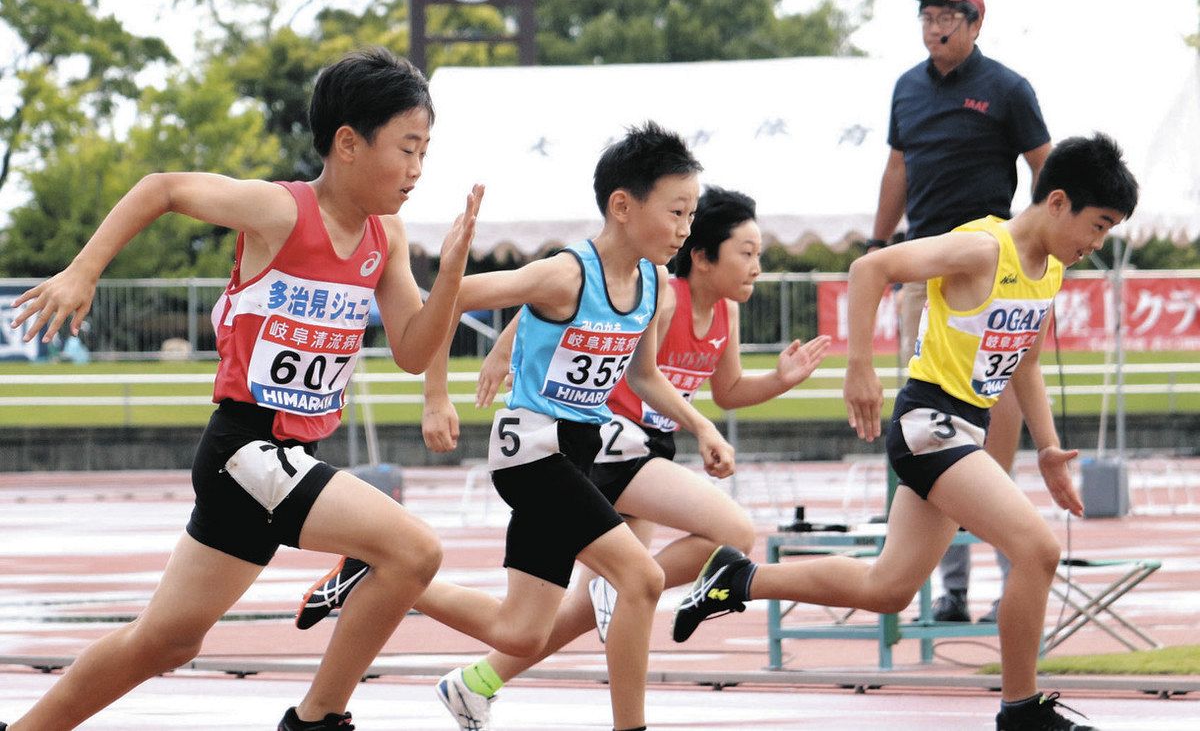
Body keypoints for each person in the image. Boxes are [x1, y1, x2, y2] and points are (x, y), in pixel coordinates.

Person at [3, 48, 484, 731]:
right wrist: (83, 273)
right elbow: (161, 187)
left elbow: (412, 350)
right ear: (348, 144)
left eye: (425, 153)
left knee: (165, 642)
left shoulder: (388, 238)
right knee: (414, 551)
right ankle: (316, 719)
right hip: (247, 449)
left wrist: (454, 276)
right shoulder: (280, 211)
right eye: (407, 149)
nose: (416, 171)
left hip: (279, 465)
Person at [296, 186, 831, 731]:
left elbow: (649, 376)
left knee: (521, 630)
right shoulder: (583, 272)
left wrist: (703, 423)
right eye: (676, 214)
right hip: (548, 453)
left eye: (690, 216)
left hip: (585, 449)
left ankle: (387, 586)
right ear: (625, 207)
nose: (682, 228)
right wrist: (442, 392)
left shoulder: (652, 281)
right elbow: (464, 295)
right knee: (647, 577)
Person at [673, 134, 1138, 731]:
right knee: (1038, 550)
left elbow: (1024, 361)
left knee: (888, 588)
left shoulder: (1048, 271)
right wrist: (860, 366)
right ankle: (1021, 710)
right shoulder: (981, 247)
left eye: (1108, 233)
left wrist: (1047, 448)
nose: (1096, 245)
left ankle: (737, 578)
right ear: (1056, 202)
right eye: (1097, 226)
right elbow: (872, 267)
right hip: (930, 424)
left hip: (963, 428)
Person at [869, 0, 1052, 624]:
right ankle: (949, 587)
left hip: (991, 265)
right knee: (933, 415)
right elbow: (898, 167)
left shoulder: (1006, 88)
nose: (934, 26)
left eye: (948, 15)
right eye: (926, 16)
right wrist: (877, 240)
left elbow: (1047, 167)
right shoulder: (907, 88)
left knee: (992, 410)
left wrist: (1040, 242)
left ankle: (1013, 570)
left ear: (976, 24)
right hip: (927, 267)